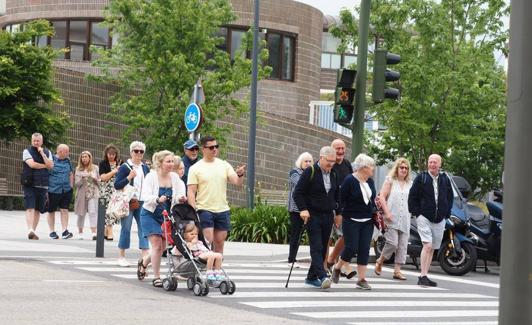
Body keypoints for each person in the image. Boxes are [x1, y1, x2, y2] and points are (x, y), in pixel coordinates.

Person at [187, 136, 246, 254]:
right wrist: (193, 210)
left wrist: (240, 175)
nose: (215, 149)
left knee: (219, 242)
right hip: (204, 209)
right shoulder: (195, 168)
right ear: (203, 149)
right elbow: (191, 191)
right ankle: (209, 270)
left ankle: (217, 270)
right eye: (211, 147)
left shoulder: (224, 164)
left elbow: (237, 182)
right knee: (208, 241)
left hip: (222, 209)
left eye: (216, 146)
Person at [137, 150, 186, 287]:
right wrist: (157, 199)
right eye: (168, 161)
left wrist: (181, 198)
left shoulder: (175, 178)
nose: (171, 164)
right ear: (160, 163)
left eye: (172, 161)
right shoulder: (151, 177)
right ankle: (157, 277)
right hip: (150, 214)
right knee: (157, 246)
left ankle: (144, 262)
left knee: (162, 247)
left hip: (167, 216)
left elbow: (180, 192)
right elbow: (145, 196)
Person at [293, 146, 339, 290]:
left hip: (328, 215)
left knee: (323, 246)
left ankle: (311, 277)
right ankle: (322, 275)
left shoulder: (334, 174)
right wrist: (303, 209)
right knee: (316, 246)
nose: (331, 164)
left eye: (333, 161)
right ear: (321, 157)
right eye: (329, 161)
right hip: (313, 215)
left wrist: (338, 213)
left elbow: (336, 194)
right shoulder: (310, 171)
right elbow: (297, 193)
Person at [331, 153, 376, 290]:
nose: (373, 169)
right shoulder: (349, 180)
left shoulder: (370, 181)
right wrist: (338, 214)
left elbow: (372, 199)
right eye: (371, 166)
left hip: (367, 220)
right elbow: (340, 199)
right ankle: (338, 267)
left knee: (364, 249)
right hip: (351, 219)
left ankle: (361, 279)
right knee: (351, 247)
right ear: (363, 167)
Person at [408, 154, 453, 287]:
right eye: (430, 162)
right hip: (424, 217)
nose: (432, 164)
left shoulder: (445, 179)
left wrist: (446, 213)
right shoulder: (421, 178)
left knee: (432, 247)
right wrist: (417, 213)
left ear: (440, 164)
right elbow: (412, 196)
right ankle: (422, 275)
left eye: (435, 162)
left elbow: (450, 197)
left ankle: (425, 275)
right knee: (427, 245)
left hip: (440, 218)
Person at [374, 157, 413, 280]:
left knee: (402, 246)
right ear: (397, 168)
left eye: (406, 168)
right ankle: (380, 261)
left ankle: (397, 271)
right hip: (391, 216)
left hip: (405, 217)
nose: (404, 170)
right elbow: (381, 197)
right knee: (392, 243)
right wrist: (387, 213)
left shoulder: (409, 184)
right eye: (402, 167)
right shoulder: (390, 180)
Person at [114, 141, 150, 267]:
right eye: (136, 151)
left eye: (141, 151)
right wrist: (129, 178)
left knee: (144, 229)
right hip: (129, 201)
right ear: (131, 152)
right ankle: (121, 256)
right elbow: (117, 185)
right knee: (126, 228)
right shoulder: (125, 167)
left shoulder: (145, 167)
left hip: (143, 202)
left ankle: (145, 256)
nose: (139, 153)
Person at [326, 139, 355, 278]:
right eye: (337, 148)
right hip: (329, 206)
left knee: (346, 236)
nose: (341, 151)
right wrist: (337, 212)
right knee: (327, 238)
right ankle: (325, 266)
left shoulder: (347, 164)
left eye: (343, 148)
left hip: (345, 208)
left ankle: (332, 261)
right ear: (332, 149)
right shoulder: (328, 165)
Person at [22, 133, 54, 240]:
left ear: (41, 141)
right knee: (30, 207)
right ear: (31, 141)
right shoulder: (26, 151)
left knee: (37, 209)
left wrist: (42, 154)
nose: (36, 142)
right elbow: (32, 164)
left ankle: (33, 231)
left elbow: (51, 166)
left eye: (38, 141)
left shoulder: (47, 152)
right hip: (30, 183)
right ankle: (30, 229)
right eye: (34, 140)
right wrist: (45, 166)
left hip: (43, 184)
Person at [287, 152, 313, 268]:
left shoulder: (312, 173)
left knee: (313, 234)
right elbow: (300, 185)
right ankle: (291, 260)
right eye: (305, 161)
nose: (308, 163)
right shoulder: (294, 172)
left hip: (309, 209)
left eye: (309, 161)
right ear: (300, 162)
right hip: (296, 209)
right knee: (296, 235)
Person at [47, 144, 74, 239]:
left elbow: (71, 173)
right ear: (59, 151)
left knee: (64, 209)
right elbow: (47, 174)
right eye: (66, 151)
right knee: (51, 210)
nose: (68, 153)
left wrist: (71, 185)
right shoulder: (51, 161)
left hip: (66, 189)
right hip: (53, 189)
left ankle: (64, 231)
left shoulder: (68, 161)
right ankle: (52, 231)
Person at [98, 144, 123, 240]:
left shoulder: (120, 163)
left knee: (113, 211)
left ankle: (106, 231)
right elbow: (103, 177)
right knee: (107, 210)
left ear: (116, 154)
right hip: (106, 190)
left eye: (113, 154)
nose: (111, 156)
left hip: (117, 190)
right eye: (109, 154)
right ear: (106, 154)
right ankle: (110, 232)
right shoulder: (103, 163)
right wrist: (114, 171)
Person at [74, 151, 100, 240]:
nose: (84, 158)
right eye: (82, 157)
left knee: (93, 212)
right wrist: (82, 178)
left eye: (86, 157)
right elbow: (76, 184)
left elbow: (100, 182)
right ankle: (80, 232)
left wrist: (94, 178)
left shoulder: (95, 168)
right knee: (81, 214)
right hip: (82, 194)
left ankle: (94, 232)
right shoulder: (78, 169)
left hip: (93, 193)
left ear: (90, 158)